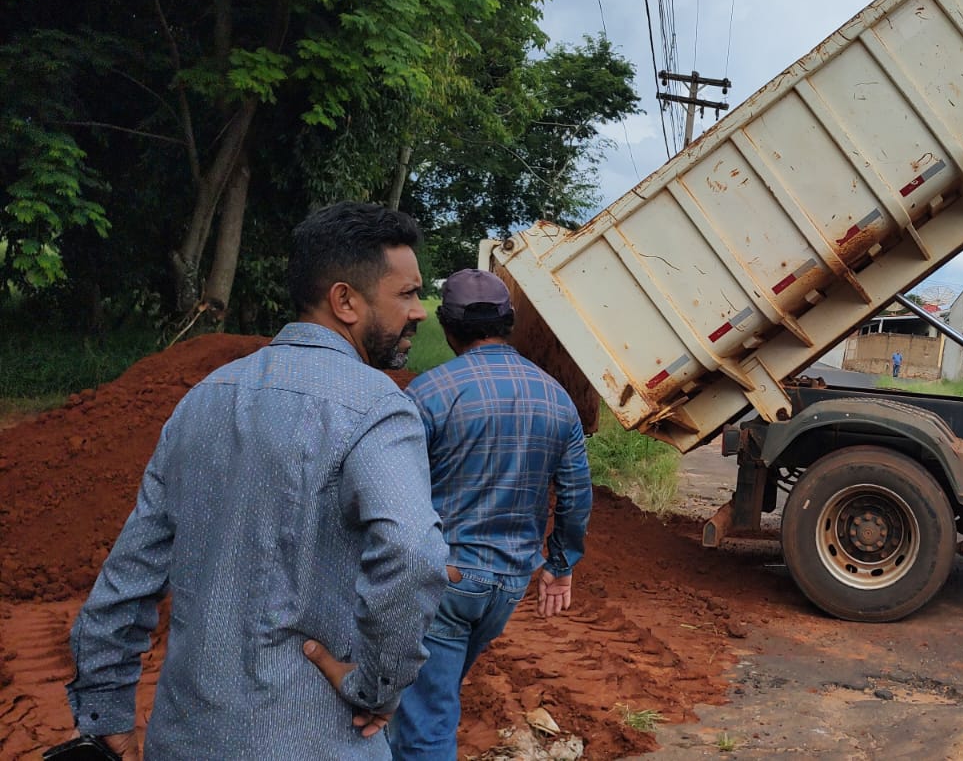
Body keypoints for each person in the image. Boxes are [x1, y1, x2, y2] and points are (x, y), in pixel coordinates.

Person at [63, 201, 448, 760]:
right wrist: (378, 686)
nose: (419, 313)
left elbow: (130, 571)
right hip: (316, 742)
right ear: (345, 300)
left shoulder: (203, 399)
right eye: (408, 294)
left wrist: (106, 709)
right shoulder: (378, 408)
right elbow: (413, 556)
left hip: (186, 738)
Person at [388, 269, 593, 759]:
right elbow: (575, 495)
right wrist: (560, 567)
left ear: (448, 326)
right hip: (506, 585)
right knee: (430, 696)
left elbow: (393, 493)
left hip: (443, 581)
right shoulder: (556, 398)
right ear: (509, 322)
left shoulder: (428, 394)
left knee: (425, 717)